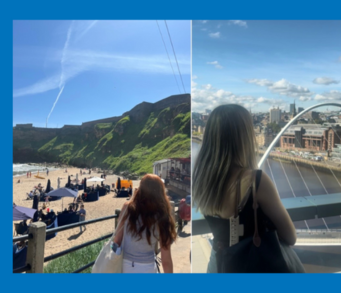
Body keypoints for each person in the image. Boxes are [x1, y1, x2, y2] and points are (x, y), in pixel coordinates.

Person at [193, 104, 297, 273]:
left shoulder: (201, 180)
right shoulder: (256, 181)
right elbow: (291, 237)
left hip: (219, 265)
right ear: (244, 137)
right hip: (252, 265)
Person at [112, 174, 176, 273]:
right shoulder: (162, 215)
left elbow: (117, 240)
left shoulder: (127, 208)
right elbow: (166, 260)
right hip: (148, 267)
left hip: (126, 266)